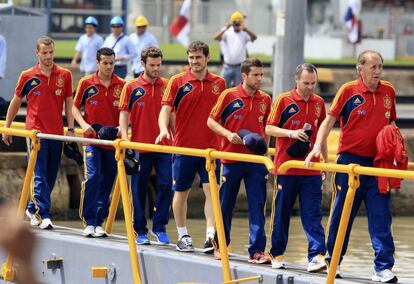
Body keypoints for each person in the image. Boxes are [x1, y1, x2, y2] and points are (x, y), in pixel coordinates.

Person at [305, 50, 399, 283]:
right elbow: (329, 120)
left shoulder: (389, 91)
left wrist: (395, 147)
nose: (377, 71)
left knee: (381, 216)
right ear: (360, 69)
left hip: (378, 166)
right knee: (341, 215)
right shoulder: (348, 91)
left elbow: (391, 123)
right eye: (373, 67)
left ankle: (383, 267)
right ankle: (332, 261)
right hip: (350, 163)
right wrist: (317, 146)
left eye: (380, 67)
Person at [156, 40, 226, 253]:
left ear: (207, 58)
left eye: (198, 57)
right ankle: (183, 235)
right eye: (191, 58)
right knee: (181, 191)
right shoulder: (177, 82)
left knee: (211, 191)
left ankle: (210, 235)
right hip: (184, 147)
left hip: (211, 149)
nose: (194, 61)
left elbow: (224, 115)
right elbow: (165, 110)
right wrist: (162, 129)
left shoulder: (220, 83)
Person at [1, 35, 75, 230]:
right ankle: (44, 214)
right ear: (37, 53)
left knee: (51, 174)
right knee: (40, 174)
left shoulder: (65, 75)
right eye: (44, 53)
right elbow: (16, 102)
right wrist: (7, 127)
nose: (49, 56)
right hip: (36, 133)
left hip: (56, 133)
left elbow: (69, 103)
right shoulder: (27, 76)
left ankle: (32, 208)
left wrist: (71, 129)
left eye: (51, 52)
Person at [207, 58, 271, 264]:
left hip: (255, 162)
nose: (260, 79)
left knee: (257, 205)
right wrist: (227, 134)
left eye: (261, 75)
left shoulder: (265, 99)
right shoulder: (229, 96)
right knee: (225, 204)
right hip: (231, 159)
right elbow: (210, 121)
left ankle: (257, 251)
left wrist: (266, 156)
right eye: (256, 75)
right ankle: (220, 246)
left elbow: (266, 131)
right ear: (244, 75)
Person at [266, 63, 328, 272]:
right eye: (306, 83)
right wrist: (290, 133)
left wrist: (325, 162)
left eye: (313, 83)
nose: (310, 87)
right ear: (296, 80)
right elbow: (268, 127)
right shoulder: (283, 100)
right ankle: (277, 253)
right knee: (281, 212)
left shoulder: (319, 102)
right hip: (287, 168)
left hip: (311, 169)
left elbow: (322, 134)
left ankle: (317, 255)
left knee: (313, 213)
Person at [119, 46, 173, 245]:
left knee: (167, 184)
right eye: (152, 65)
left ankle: (159, 227)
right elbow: (123, 114)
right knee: (138, 189)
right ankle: (139, 230)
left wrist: (175, 139)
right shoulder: (131, 87)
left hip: (164, 147)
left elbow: (172, 114)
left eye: (159, 65)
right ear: (142, 64)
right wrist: (125, 139)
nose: (156, 68)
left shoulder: (167, 86)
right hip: (139, 147)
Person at [72, 47, 125, 238]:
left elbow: (126, 114)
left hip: (112, 143)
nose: (109, 67)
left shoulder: (122, 85)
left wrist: (120, 129)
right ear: (97, 63)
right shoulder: (86, 83)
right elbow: (74, 108)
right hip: (91, 141)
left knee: (107, 181)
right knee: (93, 177)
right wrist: (84, 125)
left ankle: (100, 222)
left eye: (112, 63)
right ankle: (89, 221)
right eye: (105, 63)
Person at [214, 11, 257, 88]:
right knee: (222, 88)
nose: (236, 26)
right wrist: (226, 27)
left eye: (239, 23)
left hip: (239, 67)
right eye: (235, 23)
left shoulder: (244, 32)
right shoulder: (227, 31)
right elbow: (216, 38)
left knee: (239, 90)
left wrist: (246, 29)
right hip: (227, 66)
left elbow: (254, 38)